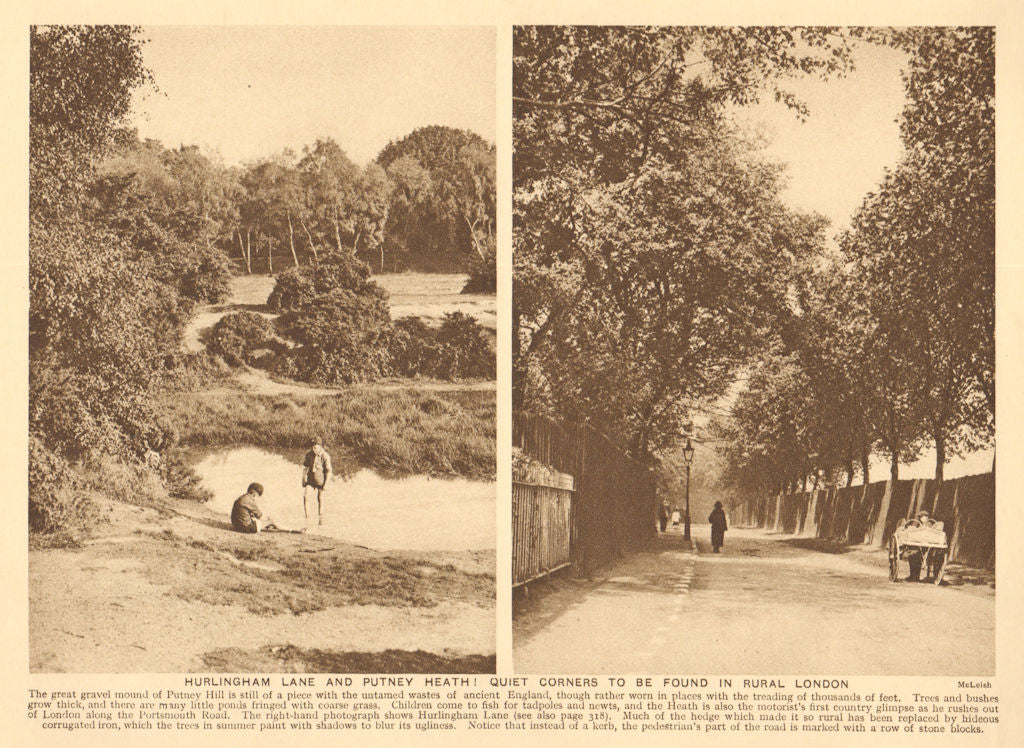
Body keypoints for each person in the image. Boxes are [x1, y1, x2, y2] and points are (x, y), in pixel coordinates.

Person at [302, 436, 333, 526]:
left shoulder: (325, 456)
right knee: (306, 496)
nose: (313, 448)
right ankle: (307, 518)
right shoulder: (309, 454)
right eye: (312, 446)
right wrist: (303, 478)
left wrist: (326, 484)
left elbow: (328, 471)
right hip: (310, 480)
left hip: (321, 481)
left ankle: (321, 518)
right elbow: (305, 467)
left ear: (320, 446)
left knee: (320, 498)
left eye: (315, 446)